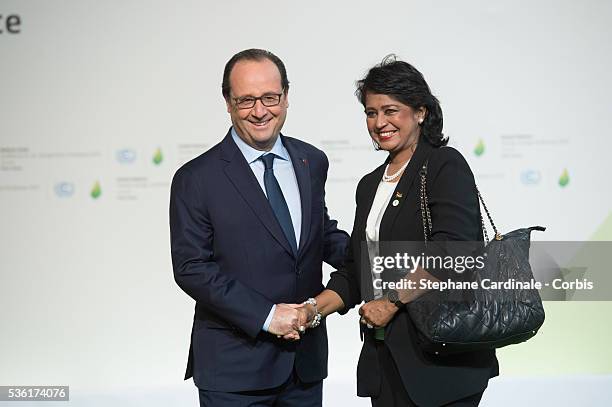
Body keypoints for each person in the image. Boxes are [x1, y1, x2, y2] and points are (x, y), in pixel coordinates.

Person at [300, 56, 499, 406]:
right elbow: (354, 271)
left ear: (420, 112)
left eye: (390, 110)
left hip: (442, 363)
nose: (380, 123)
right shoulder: (369, 185)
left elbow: (454, 250)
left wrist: (391, 302)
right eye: (371, 112)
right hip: (386, 360)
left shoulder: (443, 164)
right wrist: (311, 310)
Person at [169, 48, 349, 406]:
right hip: (234, 370)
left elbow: (319, 235)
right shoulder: (196, 178)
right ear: (227, 102)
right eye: (246, 100)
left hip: (305, 366)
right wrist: (268, 316)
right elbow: (192, 268)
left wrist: (382, 257)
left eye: (270, 97)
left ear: (286, 95)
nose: (260, 110)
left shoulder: (311, 160)